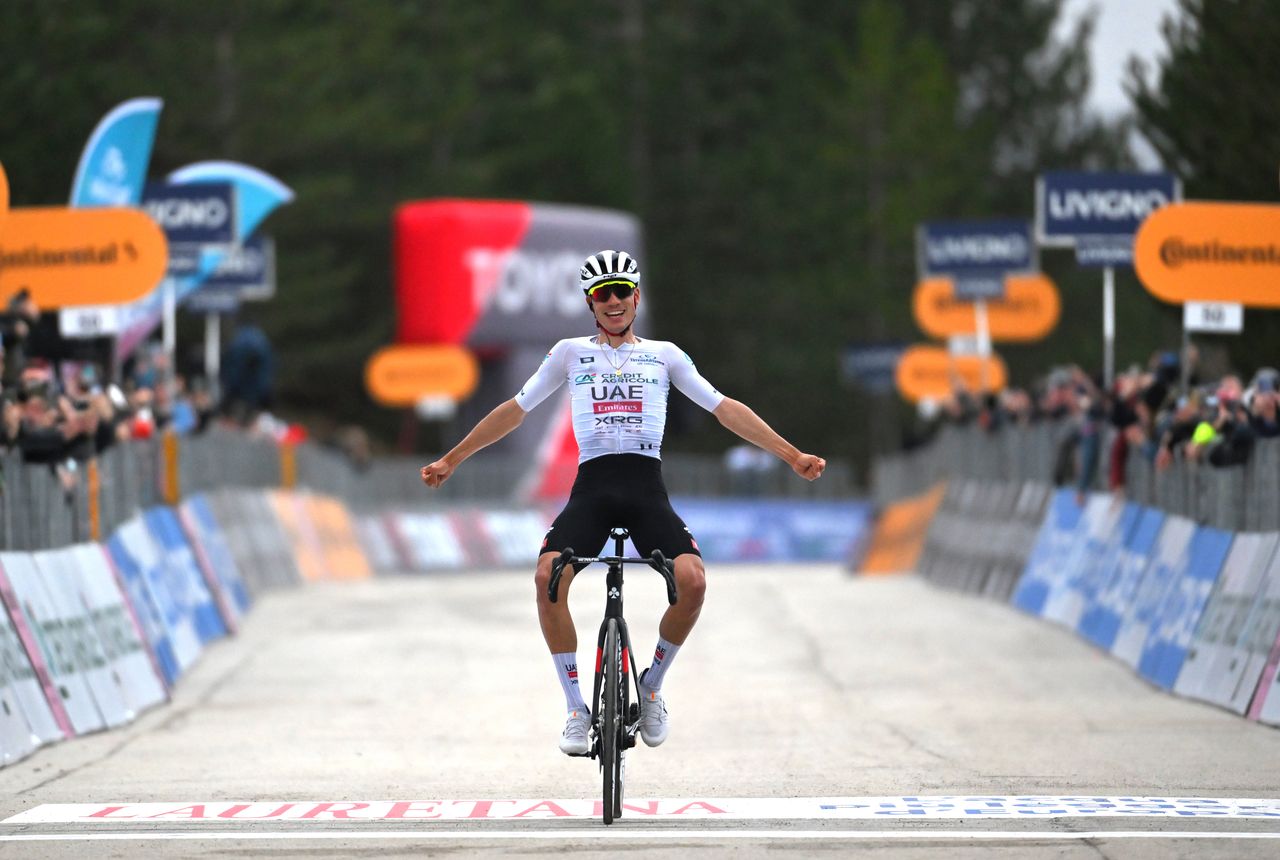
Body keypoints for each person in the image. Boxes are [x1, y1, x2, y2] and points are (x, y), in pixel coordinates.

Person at [420, 250, 825, 755]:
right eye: (601, 294)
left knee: (693, 581)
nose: (612, 302)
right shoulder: (569, 353)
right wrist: (452, 459)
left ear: (637, 297)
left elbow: (724, 409)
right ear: (591, 303)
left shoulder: (665, 355)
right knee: (548, 578)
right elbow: (514, 411)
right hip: (591, 490)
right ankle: (574, 708)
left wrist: (790, 455)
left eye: (621, 292)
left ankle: (651, 686)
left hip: (645, 490)